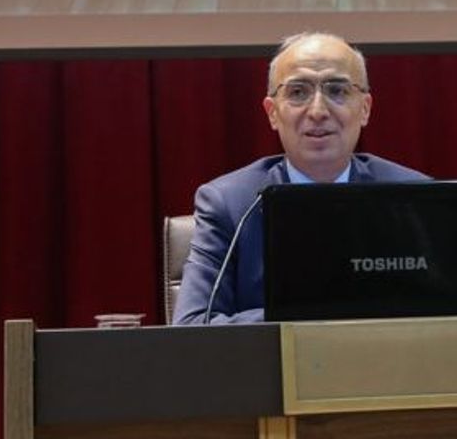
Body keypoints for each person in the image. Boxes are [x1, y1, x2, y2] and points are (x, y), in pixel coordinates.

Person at [171, 31, 427, 324]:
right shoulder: (230, 203)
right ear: (272, 113)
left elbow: (452, 315)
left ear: (365, 109)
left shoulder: (414, 198)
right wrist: (308, 315)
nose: (317, 111)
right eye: (297, 92)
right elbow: (192, 324)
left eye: (337, 90)